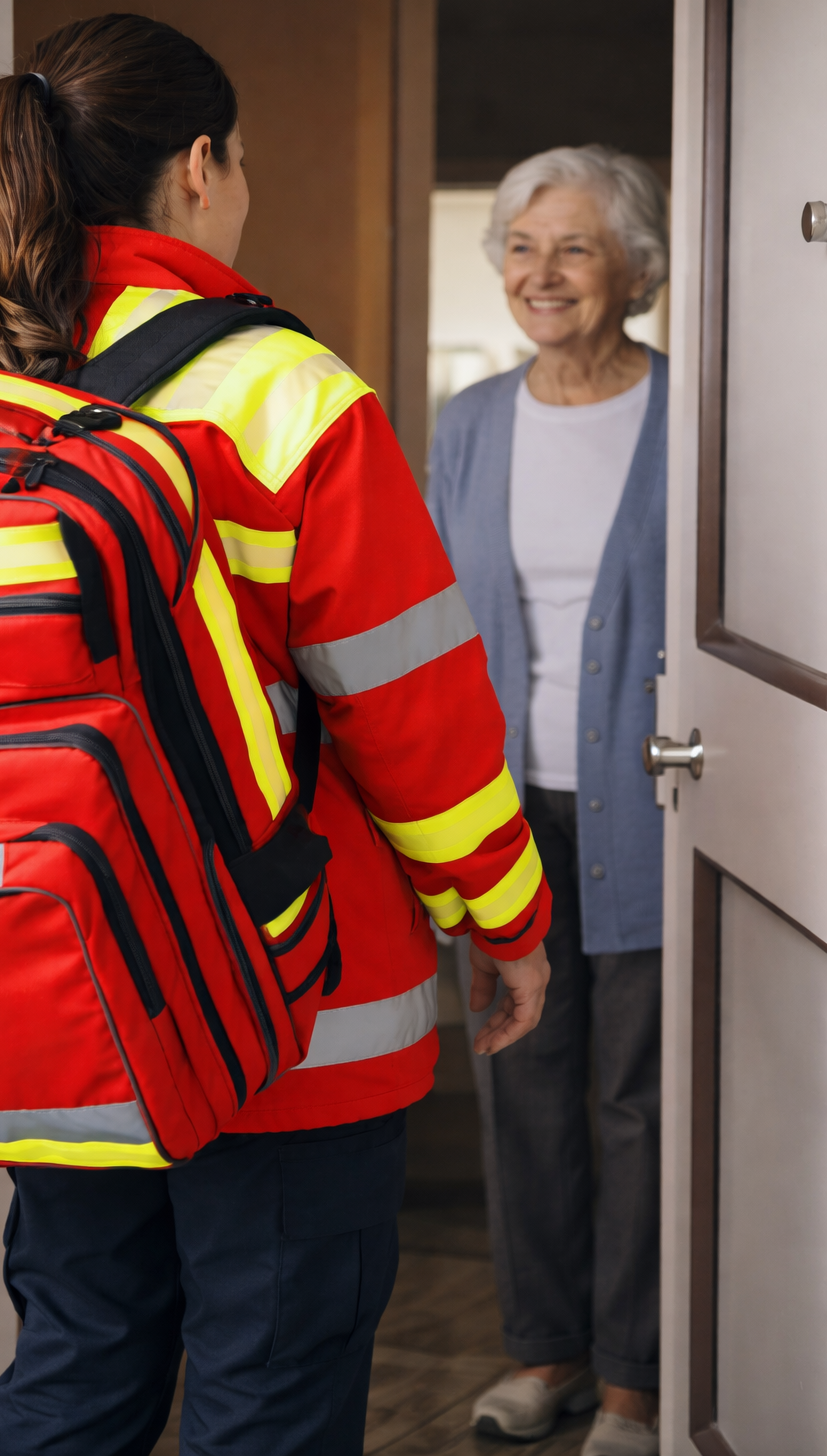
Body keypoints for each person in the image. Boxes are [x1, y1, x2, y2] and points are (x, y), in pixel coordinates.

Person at [0, 15, 553, 1456]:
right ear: (199, 167)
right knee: (270, 1388)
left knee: (75, 1361)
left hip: (60, 989)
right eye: (244, 163)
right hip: (283, 1008)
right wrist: (505, 918)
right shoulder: (287, 396)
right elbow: (414, 712)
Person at [427, 146, 667, 1456]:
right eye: (522, 246)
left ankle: (635, 1381)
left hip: (656, 805)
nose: (543, 273)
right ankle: (547, 1351)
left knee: (639, 1098)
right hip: (505, 810)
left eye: (574, 246)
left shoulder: (689, 415)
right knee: (521, 1081)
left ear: (635, 265)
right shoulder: (469, 424)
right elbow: (431, 620)